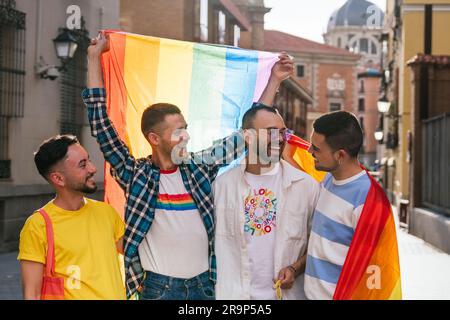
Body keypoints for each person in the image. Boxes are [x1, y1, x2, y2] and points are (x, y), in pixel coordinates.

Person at [83, 32, 293, 300]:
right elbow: (101, 125)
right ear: (154, 139)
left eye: (186, 129)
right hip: (159, 289)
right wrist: (93, 57)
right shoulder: (135, 174)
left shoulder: (199, 167)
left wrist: (274, 79)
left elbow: (245, 134)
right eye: (178, 131)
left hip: (204, 286)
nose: (187, 137)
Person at [214, 104, 321, 300]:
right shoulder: (221, 186)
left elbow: (319, 244)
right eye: (271, 133)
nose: (280, 139)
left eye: (282, 132)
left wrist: (294, 268)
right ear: (248, 137)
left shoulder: (307, 186)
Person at [18, 135, 126, 300]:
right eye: (83, 165)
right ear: (58, 178)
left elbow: (137, 253)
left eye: (88, 160)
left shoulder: (106, 213)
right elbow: (32, 294)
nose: (93, 168)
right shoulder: (37, 225)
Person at [304, 111, 372, 299]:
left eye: (316, 148)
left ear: (340, 155)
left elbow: (371, 269)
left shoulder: (366, 200)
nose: (309, 151)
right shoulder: (328, 180)